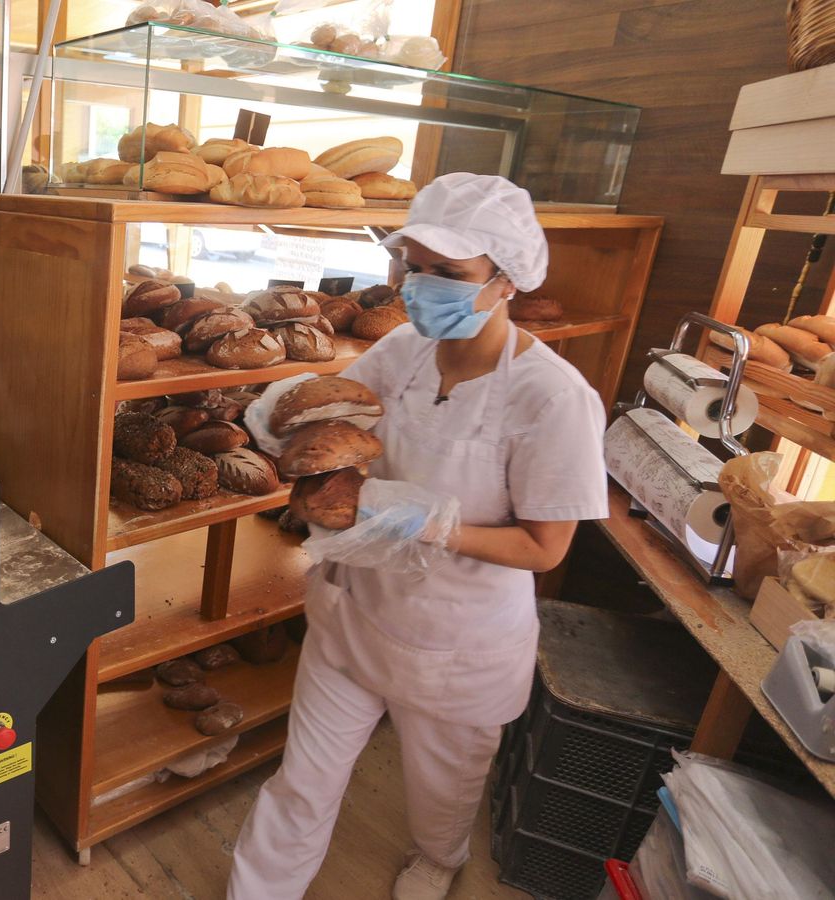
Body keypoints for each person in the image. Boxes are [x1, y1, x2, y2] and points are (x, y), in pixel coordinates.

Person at [227, 174, 609, 900]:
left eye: (450, 273)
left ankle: (439, 857)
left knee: (442, 788)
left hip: (453, 643)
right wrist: (283, 412)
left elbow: (545, 548)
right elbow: (336, 417)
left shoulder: (553, 398)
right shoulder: (403, 348)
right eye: (415, 266)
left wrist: (435, 522)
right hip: (353, 612)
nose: (421, 286)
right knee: (302, 780)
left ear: (506, 279)